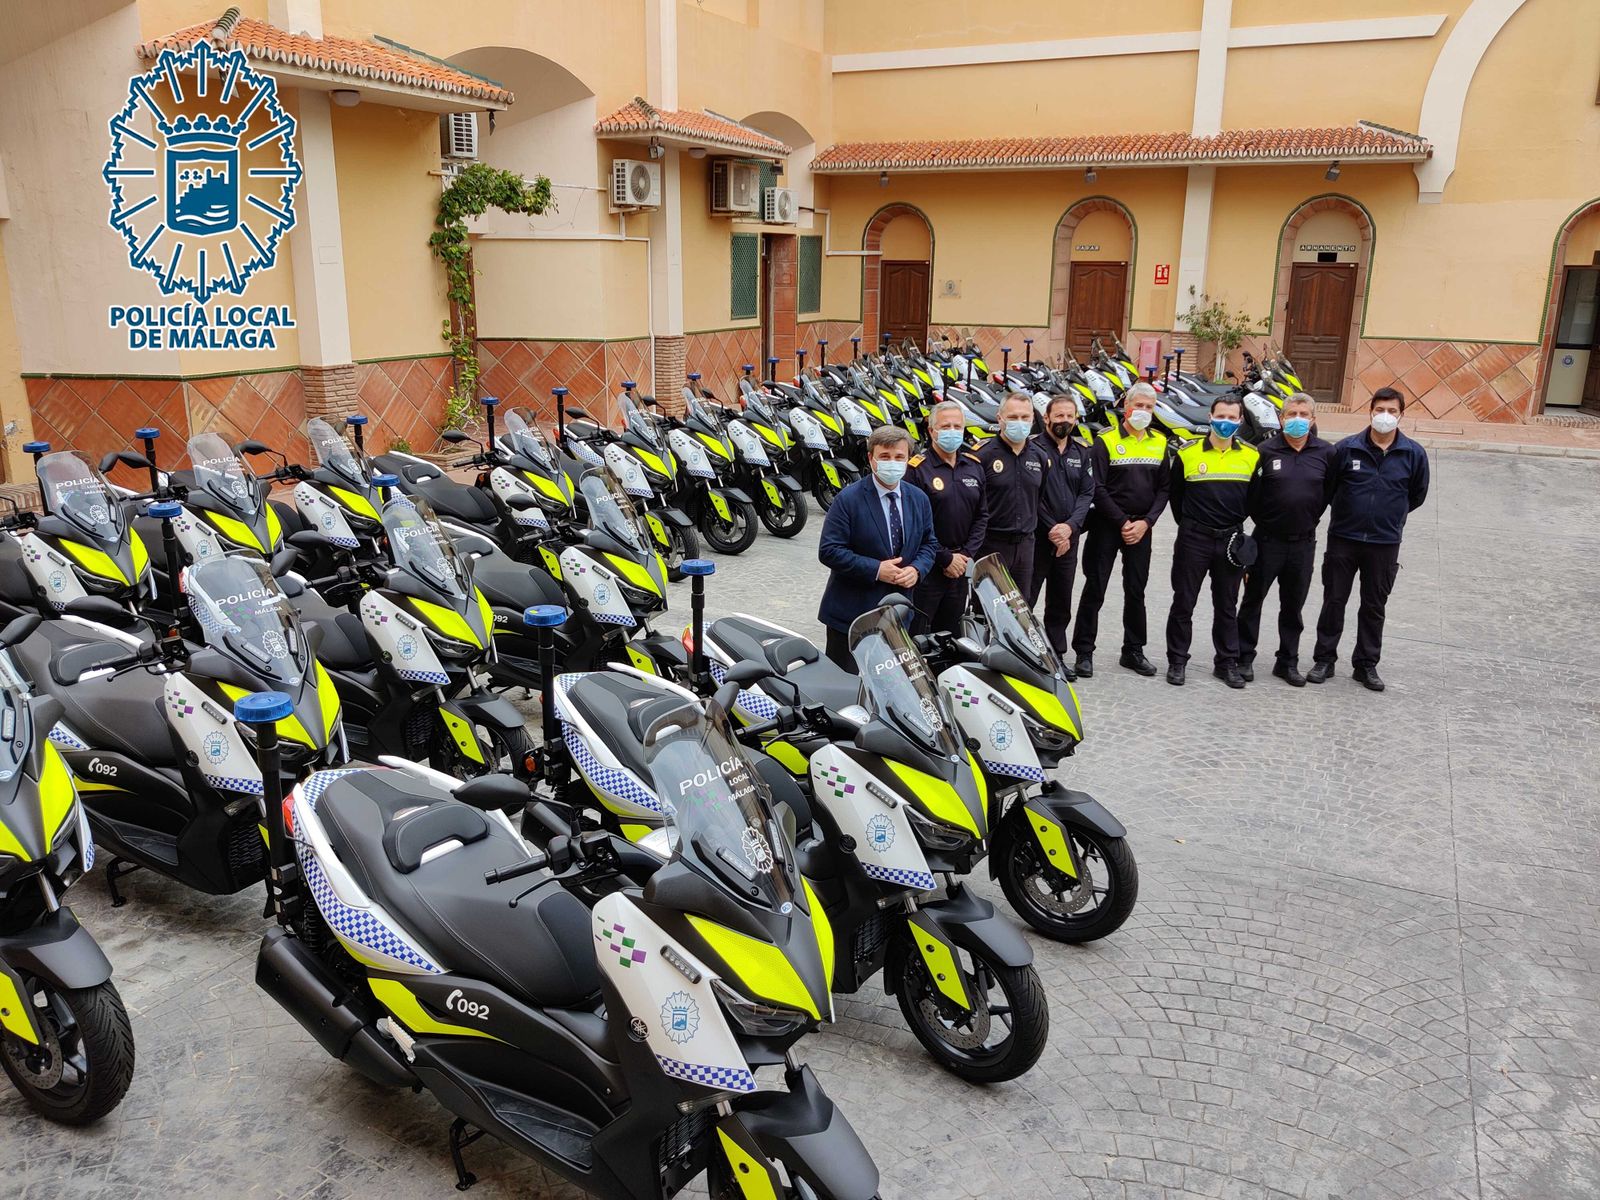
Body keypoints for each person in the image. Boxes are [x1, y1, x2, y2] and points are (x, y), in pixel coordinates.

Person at [1308, 386, 1430, 691]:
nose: (1385, 416)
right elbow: (1330, 490)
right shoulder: (1346, 449)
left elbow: (1416, 495)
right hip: (1344, 538)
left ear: (1401, 415)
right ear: (1370, 411)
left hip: (1384, 543)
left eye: (1392, 411)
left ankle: (1366, 665)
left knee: (1374, 605)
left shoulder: (1413, 454)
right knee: (1334, 600)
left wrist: (1391, 516)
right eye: (1380, 410)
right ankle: (1325, 659)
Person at [817, 424, 936, 672]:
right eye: (885, 456)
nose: (892, 462)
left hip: (898, 615)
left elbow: (929, 543)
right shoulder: (848, 499)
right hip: (852, 616)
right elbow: (829, 550)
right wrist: (876, 569)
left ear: (908, 459)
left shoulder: (918, 499)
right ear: (871, 459)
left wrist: (917, 569)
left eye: (899, 457)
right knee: (847, 689)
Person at [1071, 382, 1170, 678]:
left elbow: (1164, 488)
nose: (1143, 412)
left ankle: (1133, 650)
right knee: (1095, 588)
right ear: (1126, 407)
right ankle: (1084, 652)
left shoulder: (1160, 443)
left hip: (1142, 527)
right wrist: (1122, 522)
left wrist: (1146, 522)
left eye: (1149, 407)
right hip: (1107, 525)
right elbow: (1097, 487)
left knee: (1136, 590)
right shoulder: (1106, 440)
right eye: (1138, 406)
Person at [1163, 394, 1260, 688]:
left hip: (1230, 539)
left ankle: (1227, 662)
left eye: (1232, 418)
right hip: (1194, 538)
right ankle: (1177, 661)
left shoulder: (1252, 455)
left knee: (1227, 604)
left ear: (1241, 421)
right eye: (1221, 416)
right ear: (1210, 417)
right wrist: (1193, 527)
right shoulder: (1187, 453)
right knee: (1184, 602)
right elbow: (1176, 498)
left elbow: (1253, 499)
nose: (1226, 423)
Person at [1236, 393, 1334, 686]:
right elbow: (1251, 496)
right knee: (1252, 601)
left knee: (1293, 606)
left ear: (1313, 419)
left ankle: (1287, 662)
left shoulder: (1327, 453)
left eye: (1304, 414)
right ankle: (1244, 658)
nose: (1297, 419)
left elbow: (1328, 493)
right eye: (1291, 414)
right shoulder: (1264, 451)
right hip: (1267, 540)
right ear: (1281, 418)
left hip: (1303, 543)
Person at [905, 400, 988, 635]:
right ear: (932, 431)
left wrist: (964, 556)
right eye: (946, 426)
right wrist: (945, 558)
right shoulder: (917, 469)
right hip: (927, 568)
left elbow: (982, 516)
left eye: (957, 426)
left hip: (959, 569)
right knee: (917, 634)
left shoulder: (974, 465)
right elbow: (914, 524)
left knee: (950, 633)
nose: (952, 432)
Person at [1030, 395, 1093, 677]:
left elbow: (1087, 493)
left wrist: (1070, 527)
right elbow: (1032, 495)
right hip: (1039, 539)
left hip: (1069, 539)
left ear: (1076, 419)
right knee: (1026, 598)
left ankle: (1057, 655)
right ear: (1047, 418)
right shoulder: (1033, 450)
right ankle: (1027, 654)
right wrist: (1053, 528)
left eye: (1070, 416)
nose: (1064, 421)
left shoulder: (1081, 452)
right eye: (1059, 416)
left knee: (1060, 600)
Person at [978, 393, 1051, 598]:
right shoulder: (982, 456)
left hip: (1025, 546)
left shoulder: (1040, 456)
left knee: (1021, 610)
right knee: (986, 611)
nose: (1019, 422)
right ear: (1000, 418)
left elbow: (1038, 498)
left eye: (1025, 417)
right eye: (1013, 417)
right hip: (991, 544)